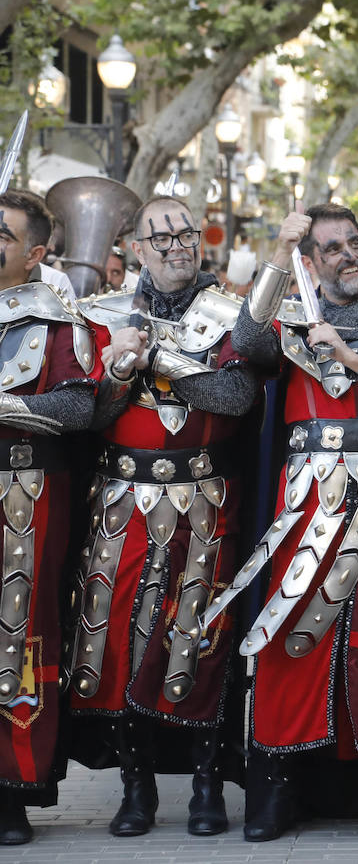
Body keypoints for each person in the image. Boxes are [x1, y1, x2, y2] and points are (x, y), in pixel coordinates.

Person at [223, 203, 358, 841]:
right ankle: (277, 789)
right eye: (330, 248)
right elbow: (247, 341)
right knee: (293, 627)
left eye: (354, 243)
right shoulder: (290, 315)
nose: (348, 255)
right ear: (311, 261)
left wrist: (352, 358)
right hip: (309, 495)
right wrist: (273, 257)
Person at [70, 194, 260, 839]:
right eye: (165, 235)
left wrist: (159, 359)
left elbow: (236, 396)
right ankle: (135, 785)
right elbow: (90, 417)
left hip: (203, 502)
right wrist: (117, 371)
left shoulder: (233, 315)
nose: (180, 243)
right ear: (136, 249)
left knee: (200, 639)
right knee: (117, 642)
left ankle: (207, 783)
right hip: (120, 501)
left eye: (188, 232)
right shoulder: (100, 316)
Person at [0, 191, 99, 846]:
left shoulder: (57, 322)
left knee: (19, 635)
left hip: (24, 494)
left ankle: (12, 787)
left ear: (35, 254)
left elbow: (77, 409)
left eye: (1, 236)